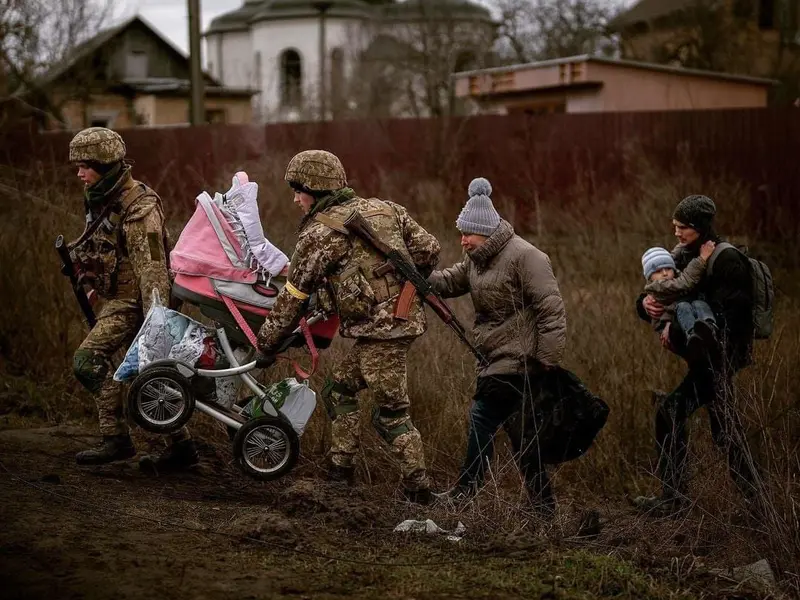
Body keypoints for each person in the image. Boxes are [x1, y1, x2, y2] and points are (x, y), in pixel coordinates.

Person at [256, 149, 440, 504]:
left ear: (318, 189)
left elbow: (293, 297)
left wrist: (265, 344)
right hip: (397, 325)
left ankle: (420, 490)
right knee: (338, 391)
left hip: (381, 334)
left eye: (299, 190)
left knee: (391, 415)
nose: (295, 199)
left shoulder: (319, 234)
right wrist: (395, 284)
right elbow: (429, 250)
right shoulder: (388, 208)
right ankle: (340, 470)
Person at [427, 177, 567, 514]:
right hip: (492, 359)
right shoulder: (478, 260)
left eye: (467, 234)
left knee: (482, 417)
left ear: (486, 232)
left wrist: (546, 361)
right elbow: (447, 282)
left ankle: (466, 492)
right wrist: (416, 275)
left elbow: (552, 310)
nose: (462, 240)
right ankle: (544, 506)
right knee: (521, 435)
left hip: (521, 360)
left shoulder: (526, 256)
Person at [68, 127, 198, 470]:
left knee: (87, 361)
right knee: (150, 374)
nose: (80, 174)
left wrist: (156, 322)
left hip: (136, 303)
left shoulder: (139, 209)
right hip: (119, 298)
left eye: (86, 166)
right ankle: (181, 446)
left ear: (106, 165)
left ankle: (116, 439)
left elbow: (153, 270)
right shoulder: (103, 198)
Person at [635, 194, 761, 515]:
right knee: (724, 429)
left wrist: (717, 365)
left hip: (717, 361)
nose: (676, 232)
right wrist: (644, 305)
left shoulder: (727, 260)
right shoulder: (686, 254)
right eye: (675, 226)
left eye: (682, 227)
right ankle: (757, 504)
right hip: (702, 360)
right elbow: (662, 285)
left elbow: (738, 322)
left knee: (671, 412)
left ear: (700, 227)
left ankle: (675, 500)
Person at [641, 242, 720, 362]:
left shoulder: (670, 276)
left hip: (679, 315)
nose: (665, 273)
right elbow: (684, 282)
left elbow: (672, 255)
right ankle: (692, 334)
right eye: (658, 271)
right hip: (667, 326)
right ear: (649, 277)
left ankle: (710, 327)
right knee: (683, 306)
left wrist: (682, 243)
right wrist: (702, 258)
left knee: (699, 303)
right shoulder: (660, 286)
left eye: (668, 268)